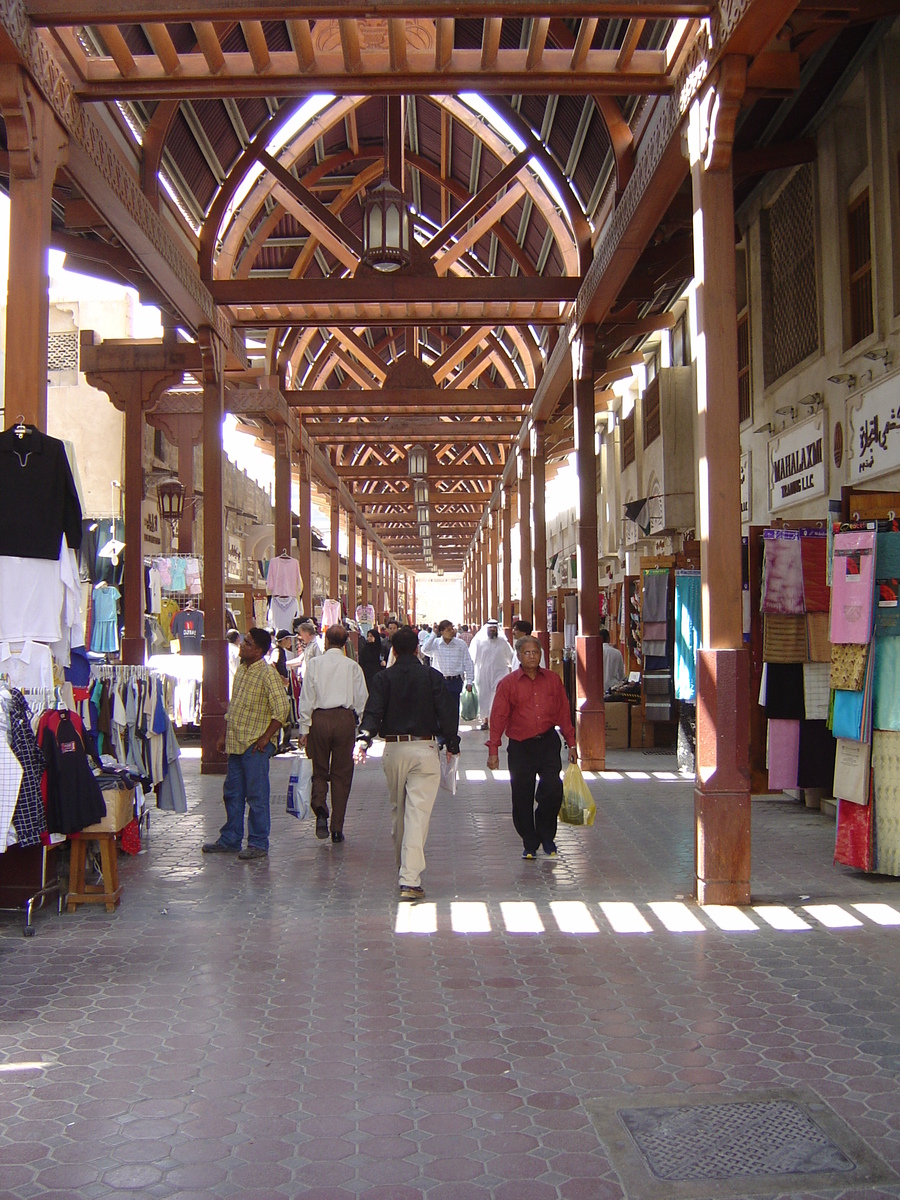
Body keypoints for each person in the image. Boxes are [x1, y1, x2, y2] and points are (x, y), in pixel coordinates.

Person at [355, 625, 460, 901]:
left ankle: (405, 868)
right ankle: (409, 879)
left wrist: (363, 741)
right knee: (417, 814)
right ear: (417, 648)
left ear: (393, 650)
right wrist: (452, 743)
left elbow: (373, 713)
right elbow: (446, 713)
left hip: (393, 750)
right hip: (425, 748)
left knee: (398, 812)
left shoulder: (382, 679)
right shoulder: (432, 677)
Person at [202, 628, 291, 860]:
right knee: (232, 793)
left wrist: (265, 738)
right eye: (244, 641)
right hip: (236, 742)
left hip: (255, 745)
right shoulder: (242, 669)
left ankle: (258, 842)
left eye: (248, 643)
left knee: (257, 795)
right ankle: (230, 838)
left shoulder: (268, 674)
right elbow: (234, 707)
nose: (242, 645)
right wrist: (223, 734)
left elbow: (282, 709)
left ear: (259, 651)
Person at [487, 635, 577, 860]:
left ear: (541, 655)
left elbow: (564, 712)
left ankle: (547, 836)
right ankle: (529, 841)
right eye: (526, 653)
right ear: (518, 656)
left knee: (553, 789)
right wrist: (493, 750)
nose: (532, 657)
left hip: (547, 742)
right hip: (520, 747)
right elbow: (498, 716)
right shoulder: (508, 684)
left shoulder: (553, 680)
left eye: (535, 652)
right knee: (521, 795)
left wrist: (572, 743)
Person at [297, 624, 369, 843]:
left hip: (319, 720)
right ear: (345, 642)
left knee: (318, 769)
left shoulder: (315, 664)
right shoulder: (352, 666)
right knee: (341, 775)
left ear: (326, 642)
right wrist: (362, 731)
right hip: (344, 720)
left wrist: (303, 729)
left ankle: (320, 807)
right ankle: (337, 828)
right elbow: (362, 700)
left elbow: (306, 698)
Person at [470, 619, 515, 730]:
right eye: (490, 628)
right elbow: (472, 658)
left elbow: (511, 657)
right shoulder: (479, 641)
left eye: (494, 628)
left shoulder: (503, 642)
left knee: (498, 697)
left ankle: (496, 719)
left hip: (500, 673)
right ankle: (485, 720)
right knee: (484, 697)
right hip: (483, 673)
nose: (492, 630)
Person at [420, 620, 475, 709]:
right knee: (439, 710)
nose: (451, 631)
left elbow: (468, 662)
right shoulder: (436, 644)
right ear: (441, 632)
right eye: (448, 630)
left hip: (455, 681)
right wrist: (433, 634)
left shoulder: (460, 644)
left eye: (452, 629)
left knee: (453, 709)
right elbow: (424, 650)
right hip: (439, 681)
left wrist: (469, 681)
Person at [226, 629, 241, 697]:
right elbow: (237, 667)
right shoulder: (237, 651)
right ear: (237, 638)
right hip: (235, 680)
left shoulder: (223, 649)